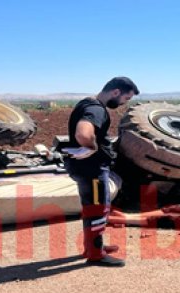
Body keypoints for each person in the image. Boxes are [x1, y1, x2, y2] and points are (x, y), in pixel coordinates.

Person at [65, 76, 139, 267]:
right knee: (98, 210)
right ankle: (96, 254)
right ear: (116, 92)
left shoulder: (87, 103)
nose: (124, 103)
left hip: (85, 169)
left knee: (92, 209)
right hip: (92, 171)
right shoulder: (96, 109)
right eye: (126, 98)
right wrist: (92, 147)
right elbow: (83, 132)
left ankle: (92, 247)